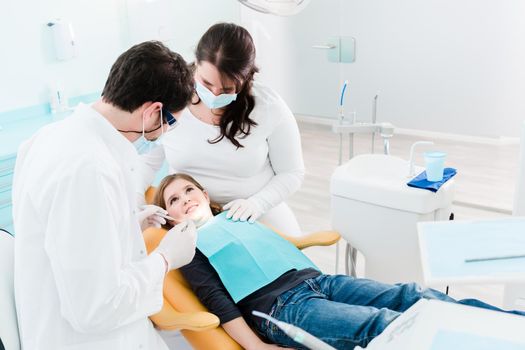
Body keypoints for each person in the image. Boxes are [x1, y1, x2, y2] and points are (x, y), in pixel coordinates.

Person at [152, 173, 525, 350]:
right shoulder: (189, 245)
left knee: (413, 295)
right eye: (173, 200)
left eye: (188, 190)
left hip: (321, 281)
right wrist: (256, 347)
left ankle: (511, 329)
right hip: (283, 308)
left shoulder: (238, 215)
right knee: (384, 326)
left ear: (204, 193)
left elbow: (281, 245)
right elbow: (216, 299)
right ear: (170, 216)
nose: (184, 199)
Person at [12, 41, 198, 350]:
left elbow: (64, 235)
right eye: (170, 122)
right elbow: (94, 309)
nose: (166, 131)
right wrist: (166, 258)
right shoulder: (90, 169)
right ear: (152, 112)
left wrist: (127, 225)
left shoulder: (50, 137)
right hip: (85, 339)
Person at [139, 22, 305, 236]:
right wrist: (137, 205)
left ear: (246, 78)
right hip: (188, 217)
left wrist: (257, 204)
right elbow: (146, 163)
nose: (216, 95)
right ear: (196, 64)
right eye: (207, 84)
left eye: (227, 88)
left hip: (255, 213)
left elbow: (292, 173)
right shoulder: (172, 99)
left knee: (288, 266)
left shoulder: (269, 107)